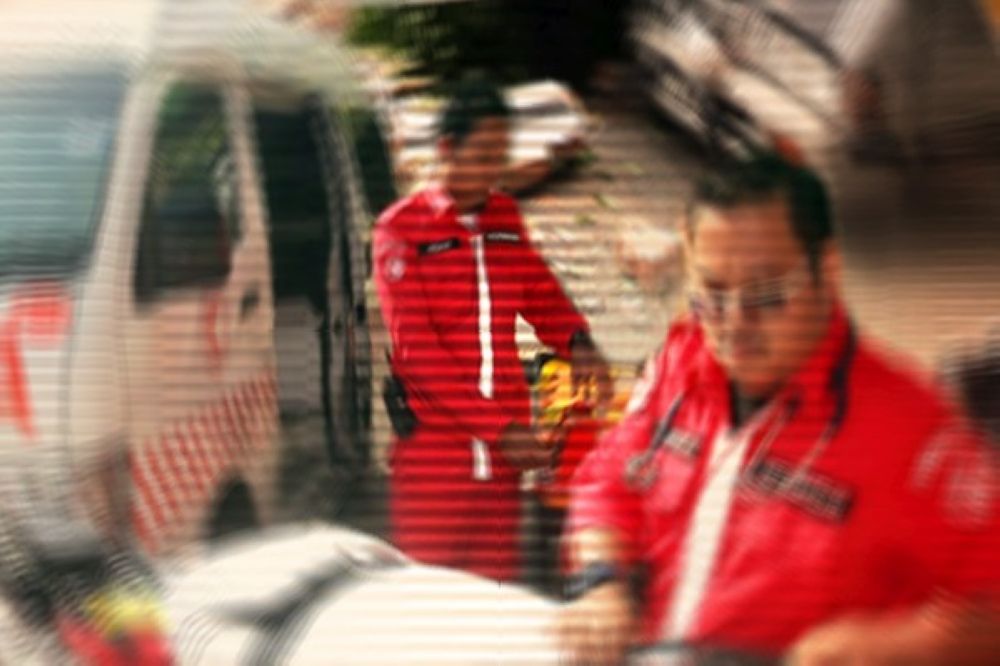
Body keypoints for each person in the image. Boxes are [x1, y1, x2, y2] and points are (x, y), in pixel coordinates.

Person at [556, 153, 999, 664]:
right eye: (713, 293)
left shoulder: (914, 432)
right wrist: (601, 581)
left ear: (825, 271)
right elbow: (609, 477)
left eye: (766, 294)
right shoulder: (678, 364)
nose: (735, 323)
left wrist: (887, 649)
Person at [372, 80, 611, 582]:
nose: (492, 173)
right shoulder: (400, 230)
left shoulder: (504, 217)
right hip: (436, 463)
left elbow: (539, 291)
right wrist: (502, 430)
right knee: (427, 598)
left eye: (499, 158)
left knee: (496, 598)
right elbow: (417, 352)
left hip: (502, 471)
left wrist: (577, 341)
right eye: (481, 156)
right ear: (446, 149)